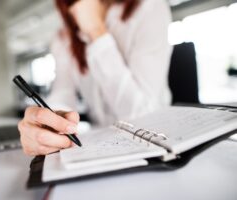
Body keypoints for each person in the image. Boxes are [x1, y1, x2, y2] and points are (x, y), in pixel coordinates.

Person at [18, 0, 173, 156]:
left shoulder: (149, 7)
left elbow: (145, 115)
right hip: (101, 148)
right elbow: (62, 94)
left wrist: (96, 31)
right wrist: (47, 125)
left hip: (159, 146)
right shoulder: (64, 36)